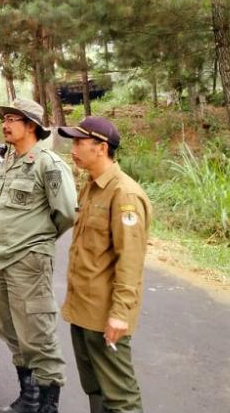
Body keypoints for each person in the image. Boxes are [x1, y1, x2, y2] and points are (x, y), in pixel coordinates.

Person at [0, 98, 77, 413]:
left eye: (12, 120)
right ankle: (29, 398)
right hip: (1, 261)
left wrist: (38, 240)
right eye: (4, 119)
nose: (4, 125)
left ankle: (48, 405)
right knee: (9, 329)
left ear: (30, 125)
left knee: (37, 335)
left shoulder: (48, 163)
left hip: (28, 263)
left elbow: (66, 212)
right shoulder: (8, 161)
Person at [58, 117, 150, 413]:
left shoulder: (124, 194)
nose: (73, 149)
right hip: (82, 308)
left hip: (104, 314)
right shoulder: (90, 187)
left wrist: (120, 314)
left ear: (101, 148)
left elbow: (130, 260)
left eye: (79, 142)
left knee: (120, 395)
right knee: (95, 386)